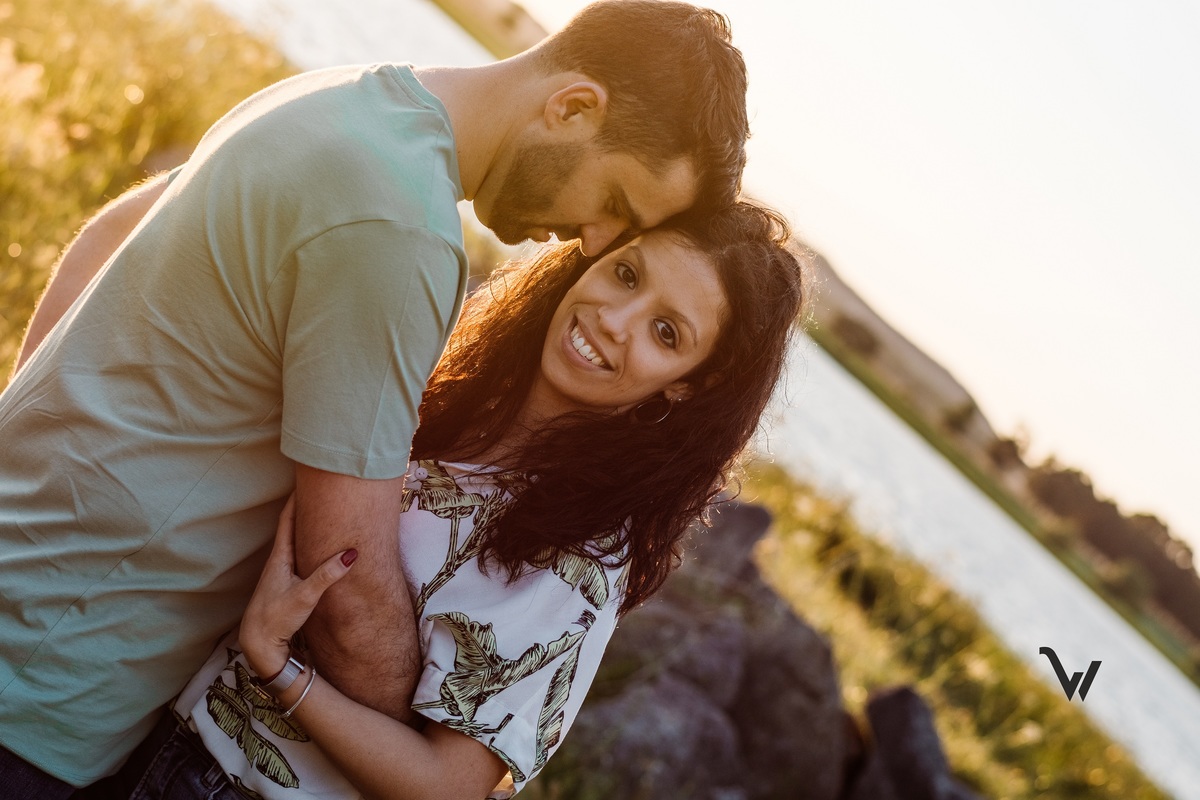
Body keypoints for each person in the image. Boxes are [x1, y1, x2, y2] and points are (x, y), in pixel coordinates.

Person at [0, 2, 750, 796]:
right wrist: (419, 742)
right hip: (52, 681)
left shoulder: (346, 97)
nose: (594, 241)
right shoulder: (404, 232)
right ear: (572, 108)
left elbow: (114, 232)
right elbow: (345, 571)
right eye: (617, 206)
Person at [119, 200, 806, 799]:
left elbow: (448, 786)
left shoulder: (581, 561)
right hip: (158, 728)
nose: (614, 320)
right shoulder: (444, 376)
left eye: (666, 333)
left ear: (687, 386)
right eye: (626, 273)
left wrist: (278, 666)